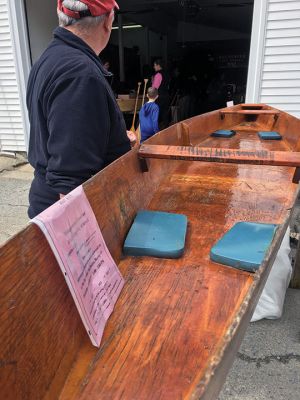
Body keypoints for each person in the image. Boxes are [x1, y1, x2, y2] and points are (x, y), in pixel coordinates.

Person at [26, 0, 134, 218]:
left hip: (46, 202)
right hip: (70, 216)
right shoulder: (80, 74)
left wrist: (112, 139)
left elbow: (59, 134)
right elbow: (70, 178)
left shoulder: (47, 60)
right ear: (108, 21)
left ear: (61, 14)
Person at [152, 59, 170, 130]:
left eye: (154, 65)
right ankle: (167, 131)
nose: (154, 67)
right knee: (165, 115)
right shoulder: (166, 74)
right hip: (166, 96)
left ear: (158, 66)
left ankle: (155, 132)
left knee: (156, 115)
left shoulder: (158, 74)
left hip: (159, 97)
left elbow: (155, 87)